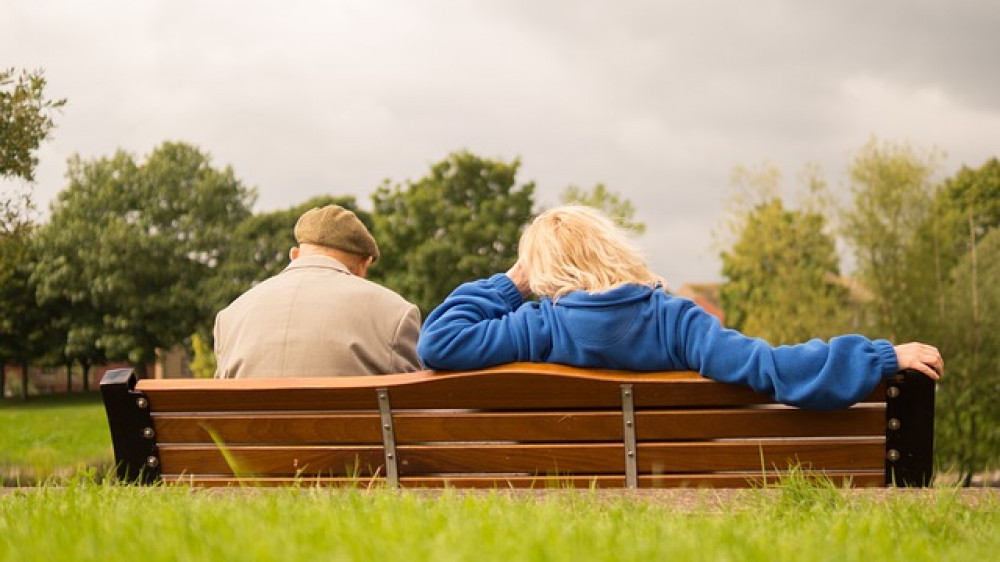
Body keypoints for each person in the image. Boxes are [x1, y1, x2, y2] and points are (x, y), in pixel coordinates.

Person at [417, 205, 943, 410]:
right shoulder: (676, 321)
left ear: (544, 272)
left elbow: (438, 341)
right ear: (613, 249)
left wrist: (512, 284)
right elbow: (769, 367)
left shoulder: (535, 326)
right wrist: (878, 357)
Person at [214, 204, 422, 378]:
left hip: (249, 430)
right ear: (364, 264)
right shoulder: (396, 313)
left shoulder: (229, 317)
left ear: (294, 254)